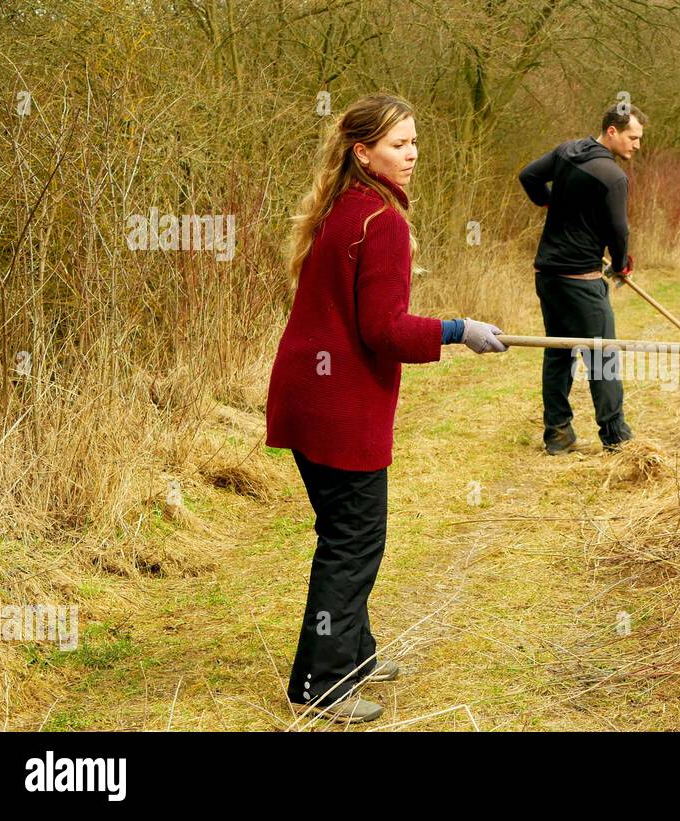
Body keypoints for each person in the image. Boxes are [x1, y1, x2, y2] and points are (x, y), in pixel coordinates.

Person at [264, 93, 507, 724]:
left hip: (304, 394)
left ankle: (355, 654)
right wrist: (459, 329)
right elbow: (384, 330)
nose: (413, 155)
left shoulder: (341, 208)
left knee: (344, 533)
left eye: (416, 142)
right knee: (353, 541)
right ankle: (321, 685)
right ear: (362, 151)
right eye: (399, 144)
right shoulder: (383, 222)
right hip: (339, 405)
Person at [518, 103, 646, 455]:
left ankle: (557, 434)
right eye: (632, 138)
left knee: (558, 353)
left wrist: (549, 203)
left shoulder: (565, 152)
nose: (636, 145)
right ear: (612, 132)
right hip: (581, 280)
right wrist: (621, 265)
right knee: (602, 356)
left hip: (547, 276)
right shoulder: (613, 177)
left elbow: (527, 176)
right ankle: (616, 436)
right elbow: (619, 230)